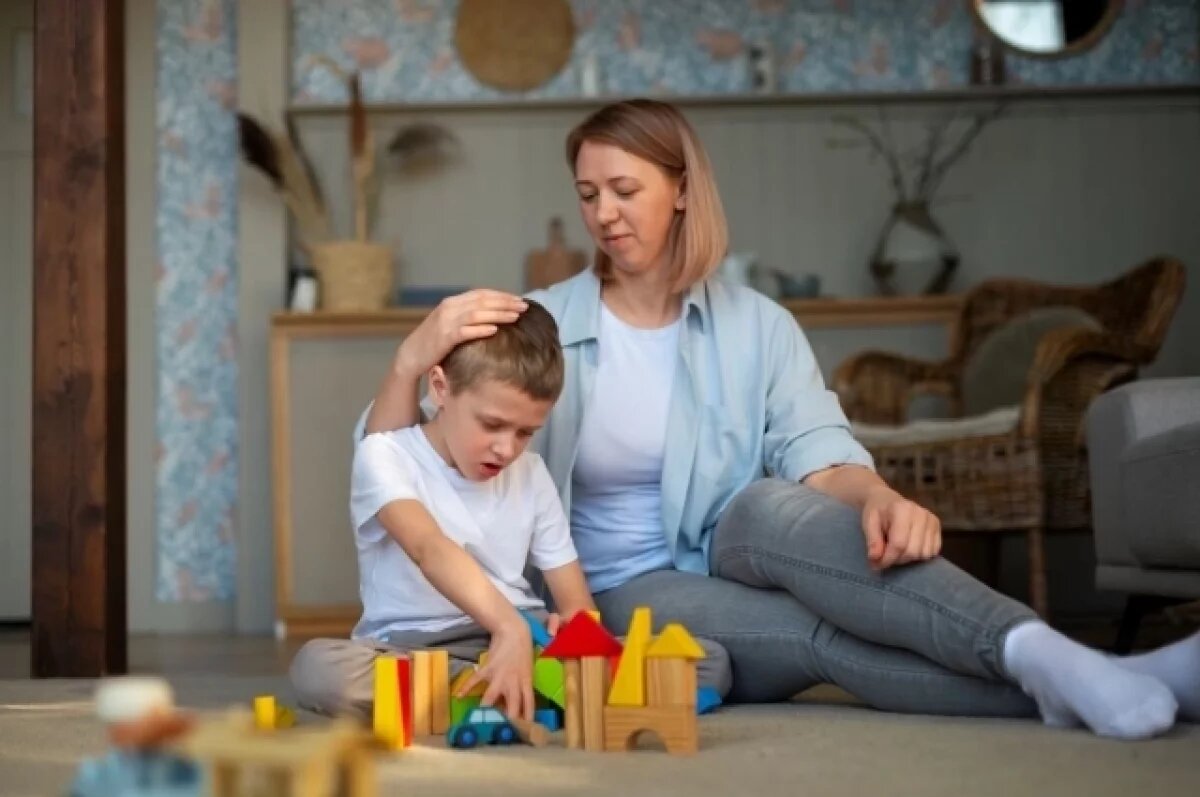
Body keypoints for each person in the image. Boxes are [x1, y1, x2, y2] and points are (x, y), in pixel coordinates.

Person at [356, 99, 1198, 740]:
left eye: (625, 189)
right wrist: (405, 359)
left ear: (682, 190)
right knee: (817, 635)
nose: (605, 213)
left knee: (777, 502)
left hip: (737, 539)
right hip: (614, 590)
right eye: (588, 194)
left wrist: (875, 498)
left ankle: (1057, 658)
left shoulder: (757, 324)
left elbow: (817, 449)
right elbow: (397, 451)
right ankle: (1079, 671)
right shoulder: (539, 320)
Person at [290, 300, 731, 722]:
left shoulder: (531, 472)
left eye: (525, 432)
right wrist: (507, 628)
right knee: (319, 669)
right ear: (440, 388)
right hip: (416, 647)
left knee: (710, 661)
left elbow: (575, 599)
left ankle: (508, 690)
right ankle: (522, 690)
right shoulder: (384, 455)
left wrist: (576, 638)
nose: (507, 448)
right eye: (493, 425)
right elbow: (429, 548)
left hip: (527, 634)